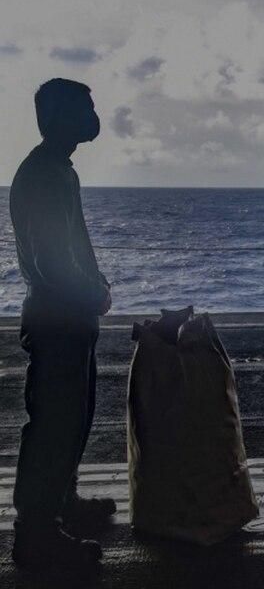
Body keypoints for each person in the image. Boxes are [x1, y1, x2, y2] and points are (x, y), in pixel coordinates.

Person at [9, 79, 113, 569]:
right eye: (85, 107)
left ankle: (62, 502)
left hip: (71, 318)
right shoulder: (44, 175)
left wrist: (96, 283)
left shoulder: (59, 171)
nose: (93, 116)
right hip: (57, 319)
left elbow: (74, 247)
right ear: (59, 117)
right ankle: (36, 532)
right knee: (53, 424)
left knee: (73, 418)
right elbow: (52, 262)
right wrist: (93, 292)